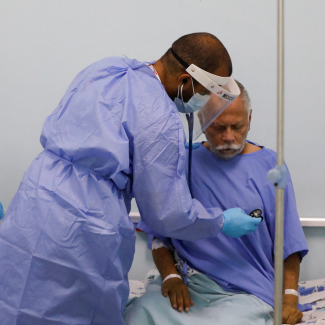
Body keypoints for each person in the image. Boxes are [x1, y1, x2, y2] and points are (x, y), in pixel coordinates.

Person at [0, 34, 261, 325]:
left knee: (17, 298)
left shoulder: (108, 69)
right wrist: (220, 221)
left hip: (37, 195)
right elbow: (167, 214)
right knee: (74, 312)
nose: (202, 103)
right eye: (205, 92)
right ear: (186, 81)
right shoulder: (161, 120)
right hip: (84, 225)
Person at [123, 81, 309, 325]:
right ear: (202, 121)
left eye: (237, 126)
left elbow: (289, 243)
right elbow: (159, 236)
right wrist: (171, 277)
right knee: (138, 314)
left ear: (250, 119)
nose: (229, 137)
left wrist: (289, 300)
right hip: (191, 284)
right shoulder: (184, 162)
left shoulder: (271, 166)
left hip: (245, 291)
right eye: (218, 127)